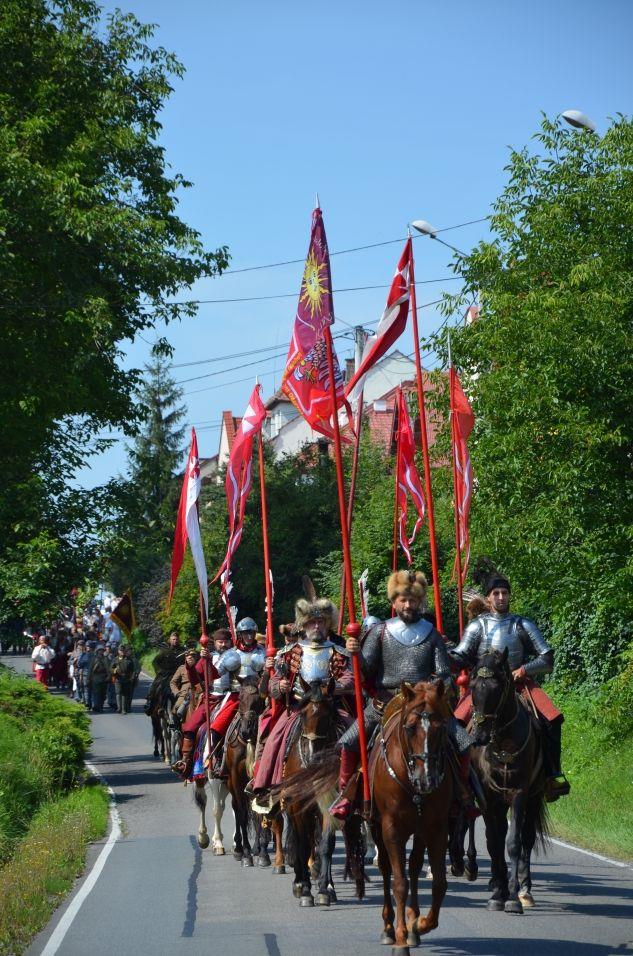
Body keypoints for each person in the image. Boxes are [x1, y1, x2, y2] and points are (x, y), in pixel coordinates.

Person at [330, 570, 471, 820]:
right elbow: (363, 672)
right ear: (393, 602)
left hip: (424, 701)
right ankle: (346, 795)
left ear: (419, 602)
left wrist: (433, 689)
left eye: (412, 600)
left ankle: (463, 793)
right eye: (403, 600)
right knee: (350, 740)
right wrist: (354, 653)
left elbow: (444, 673)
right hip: (386, 701)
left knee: (462, 741)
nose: (408, 605)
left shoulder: (431, 634)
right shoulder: (381, 632)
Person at [450, 569, 570, 802]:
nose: (501, 597)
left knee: (553, 719)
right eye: (496, 593)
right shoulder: (477, 626)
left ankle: (551, 775)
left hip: (518, 685)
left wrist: (523, 670)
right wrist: (444, 654)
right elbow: (461, 656)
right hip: (485, 688)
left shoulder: (522, 624)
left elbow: (546, 658)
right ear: (488, 598)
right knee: (455, 723)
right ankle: (458, 780)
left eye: (505, 592)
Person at [249, 598, 353, 798]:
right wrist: (280, 685)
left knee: (355, 733)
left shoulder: (339, 652)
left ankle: (356, 785)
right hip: (298, 707)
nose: (316, 626)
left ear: (327, 624)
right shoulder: (288, 653)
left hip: (330, 707)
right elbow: (273, 682)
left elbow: (350, 678)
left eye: (321, 622)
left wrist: (333, 688)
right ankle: (268, 785)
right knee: (275, 739)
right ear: (304, 625)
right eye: (312, 622)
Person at [174, 620, 266, 779]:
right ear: (240, 635)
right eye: (245, 633)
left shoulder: (264, 652)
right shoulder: (232, 654)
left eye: (251, 632)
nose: (249, 636)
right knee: (216, 727)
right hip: (236, 696)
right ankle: (214, 760)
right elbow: (211, 675)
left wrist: (274, 664)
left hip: (261, 696)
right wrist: (205, 661)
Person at [144, 632, 182, 715]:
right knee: (156, 685)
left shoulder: (182, 651)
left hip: (179, 675)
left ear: (179, 640)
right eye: (173, 639)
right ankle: (150, 703)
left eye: (176, 639)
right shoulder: (164, 651)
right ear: (170, 640)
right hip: (166, 674)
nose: (175, 641)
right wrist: (159, 671)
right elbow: (155, 662)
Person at [169, 644, 200, 724]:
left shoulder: (200, 667)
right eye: (188, 656)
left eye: (193, 655)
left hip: (199, 691)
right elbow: (173, 682)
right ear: (185, 658)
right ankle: (176, 730)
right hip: (185, 693)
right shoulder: (182, 668)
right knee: (176, 708)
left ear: (196, 658)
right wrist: (177, 692)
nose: (190, 657)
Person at [112, 645, 135, 714]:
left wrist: (131, 677)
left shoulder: (129, 660)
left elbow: (132, 670)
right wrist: (115, 670)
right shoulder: (115, 659)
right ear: (118, 651)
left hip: (126, 679)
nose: (122, 652)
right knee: (118, 693)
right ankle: (119, 708)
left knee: (124, 694)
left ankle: (123, 709)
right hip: (118, 679)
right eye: (120, 650)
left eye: (123, 650)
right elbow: (111, 669)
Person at [88, 646, 111, 712]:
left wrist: (109, 677)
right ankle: (97, 706)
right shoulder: (94, 659)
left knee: (103, 694)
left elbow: (109, 669)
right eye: (99, 650)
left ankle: (100, 705)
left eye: (102, 650)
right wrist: (88, 679)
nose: (101, 652)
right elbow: (90, 669)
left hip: (104, 678)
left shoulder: (106, 659)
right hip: (95, 678)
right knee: (96, 693)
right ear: (97, 651)